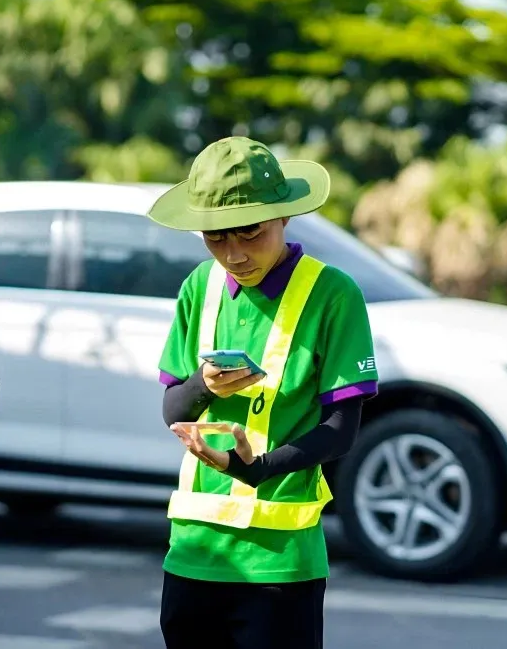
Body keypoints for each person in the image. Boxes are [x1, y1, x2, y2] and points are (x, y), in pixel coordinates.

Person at [149, 136, 379, 649]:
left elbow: (341, 432)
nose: (234, 254)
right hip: (193, 551)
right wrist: (202, 386)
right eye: (214, 238)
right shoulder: (199, 287)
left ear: (284, 218)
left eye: (250, 233)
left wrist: (260, 469)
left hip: (280, 565)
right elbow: (172, 410)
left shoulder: (333, 294)